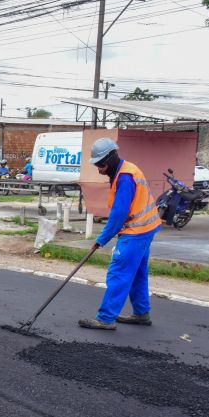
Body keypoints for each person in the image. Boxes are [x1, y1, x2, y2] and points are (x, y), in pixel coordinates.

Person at [78, 138, 161, 330]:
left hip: (137, 230)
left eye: (102, 164)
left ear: (112, 156)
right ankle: (141, 313)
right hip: (146, 228)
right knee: (138, 272)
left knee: (119, 272)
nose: (99, 168)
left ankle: (105, 318)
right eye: (97, 164)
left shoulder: (125, 177)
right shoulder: (124, 170)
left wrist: (101, 239)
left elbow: (119, 213)